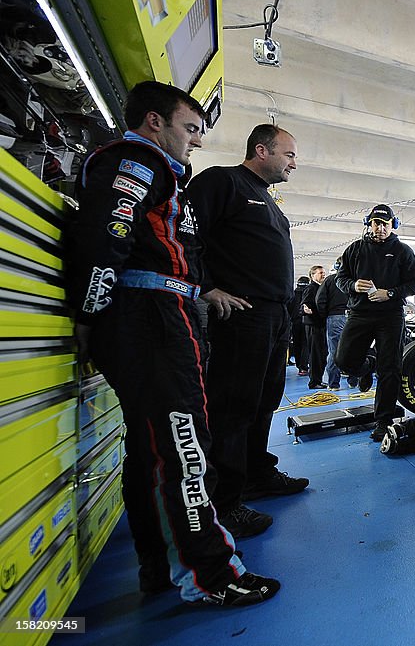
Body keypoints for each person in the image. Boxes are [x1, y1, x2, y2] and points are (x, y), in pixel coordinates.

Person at [66, 80, 278, 606]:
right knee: (184, 446)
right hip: (151, 316)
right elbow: (109, 234)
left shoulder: (156, 172)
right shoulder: (137, 161)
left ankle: (160, 566)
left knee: (151, 449)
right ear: (154, 122)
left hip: (155, 313)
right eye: (190, 128)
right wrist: (91, 310)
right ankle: (211, 574)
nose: (197, 141)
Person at [188, 123, 309, 538]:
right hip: (243, 313)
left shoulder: (268, 200)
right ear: (262, 150)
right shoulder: (223, 182)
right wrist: (204, 287)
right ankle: (224, 504)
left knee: (264, 402)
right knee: (234, 407)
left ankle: (257, 474)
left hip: (276, 316)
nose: (295, 163)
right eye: (289, 155)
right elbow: (185, 235)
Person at [334, 204, 415, 441]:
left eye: (385, 223)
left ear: (393, 225)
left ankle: (383, 420)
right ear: (369, 224)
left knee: (390, 368)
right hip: (359, 313)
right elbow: (340, 279)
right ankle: (367, 364)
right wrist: (352, 285)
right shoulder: (354, 250)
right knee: (343, 360)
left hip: (390, 315)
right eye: (376, 223)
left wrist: (391, 293)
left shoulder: (403, 251)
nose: (380, 228)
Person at [316, 256, 350, 391]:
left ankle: (334, 384)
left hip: (335, 317)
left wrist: (326, 315)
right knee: (353, 349)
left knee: (334, 351)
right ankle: (353, 380)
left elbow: (320, 300)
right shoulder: (354, 281)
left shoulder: (330, 280)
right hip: (353, 317)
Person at [301, 265, 327, 389]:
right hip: (313, 325)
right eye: (320, 273)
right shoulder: (311, 288)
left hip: (320, 325)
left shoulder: (321, 288)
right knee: (316, 354)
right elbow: (304, 305)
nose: (323, 275)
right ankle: (314, 381)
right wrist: (305, 309)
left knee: (322, 353)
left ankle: (318, 379)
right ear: (313, 275)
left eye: (324, 273)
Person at [289, 275, 310, 373]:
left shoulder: (292, 294)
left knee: (297, 343)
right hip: (306, 321)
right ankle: (304, 366)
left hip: (295, 322)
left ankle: (299, 365)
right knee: (305, 344)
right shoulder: (309, 293)